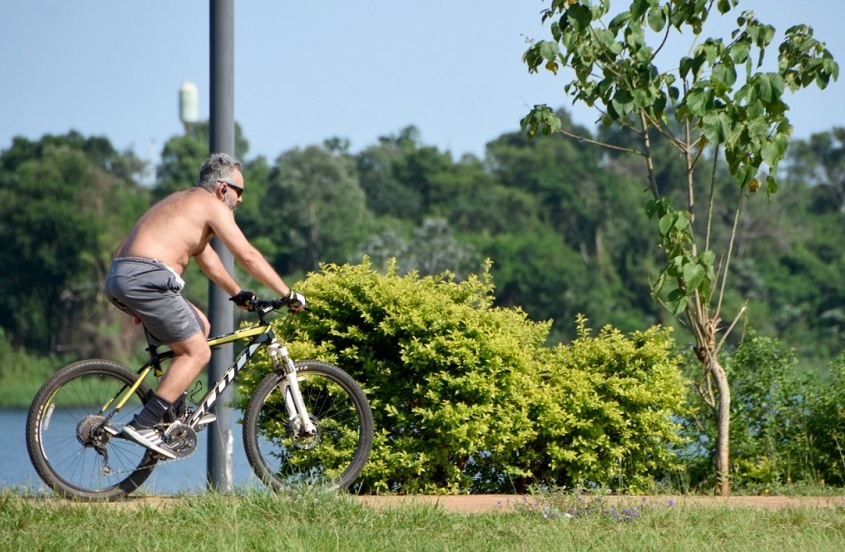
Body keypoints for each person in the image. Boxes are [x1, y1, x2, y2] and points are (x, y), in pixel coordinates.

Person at [104, 152, 305, 459]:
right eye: (239, 192)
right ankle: (144, 423)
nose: (240, 201)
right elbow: (248, 256)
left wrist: (238, 292)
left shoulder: (181, 202)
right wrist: (288, 293)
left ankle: (175, 410)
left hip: (121, 276)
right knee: (198, 352)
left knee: (201, 326)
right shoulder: (211, 205)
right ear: (222, 189)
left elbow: (205, 256)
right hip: (148, 278)